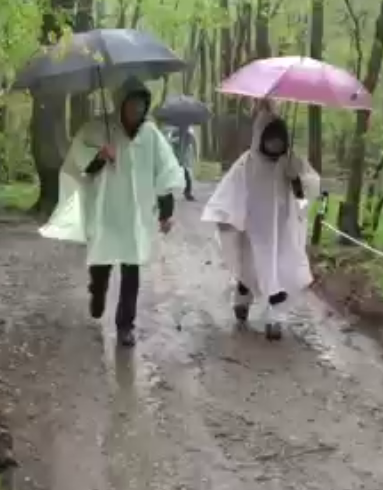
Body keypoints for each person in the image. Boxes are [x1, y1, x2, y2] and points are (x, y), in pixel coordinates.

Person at [40, 77, 186, 347]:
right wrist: (99, 156)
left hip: (135, 214)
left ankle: (125, 325)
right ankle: (97, 292)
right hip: (105, 209)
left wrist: (166, 212)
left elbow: (165, 171)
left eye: (141, 105)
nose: (136, 110)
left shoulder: (151, 134)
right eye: (131, 104)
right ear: (121, 104)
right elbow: (79, 165)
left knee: (132, 268)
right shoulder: (99, 129)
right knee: (102, 261)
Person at [201, 101, 321, 340]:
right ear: (262, 139)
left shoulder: (292, 162)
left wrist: (296, 181)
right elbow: (231, 190)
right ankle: (243, 298)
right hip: (254, 230)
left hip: (282, 230)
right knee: (251, 268)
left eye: (279, 140)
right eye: (270, 140)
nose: (275, 145)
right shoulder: (248, 163)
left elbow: (304, 203)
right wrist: (227, 216)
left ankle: (275, 317)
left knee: (278, 271)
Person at [167, 125, 198, 201]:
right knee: (171, 176)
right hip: (175, 157)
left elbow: (193, 143)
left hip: (183, 159)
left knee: (187, 176)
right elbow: (169, 141)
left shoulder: (188, 134)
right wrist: (176, 140)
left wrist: (195, 155)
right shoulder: (174, 132)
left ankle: (187, 192)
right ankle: (167, 194)